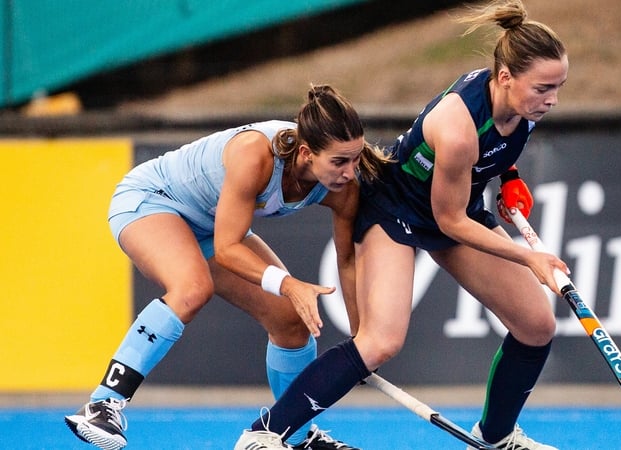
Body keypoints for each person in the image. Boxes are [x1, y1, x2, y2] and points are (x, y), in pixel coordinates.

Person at [234, 1, 571, 449]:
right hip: (397, 209)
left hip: (456, 205)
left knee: (536, 326)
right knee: (379, 342)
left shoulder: (523, 108)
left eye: (558, 88)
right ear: (505, 77)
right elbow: (450, 222)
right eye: (543, 88)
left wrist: (509, 179)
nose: (551, 99)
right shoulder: (456, 128)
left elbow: (488, 162)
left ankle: (497, 437)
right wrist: (530, 257)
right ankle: (264, 435)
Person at [65, 84, 390, 450]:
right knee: (192, 288)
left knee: (290, 320)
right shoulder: (255, 153)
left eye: (355, 158)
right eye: (339, 162)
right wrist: (287, 284)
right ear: (305, 153)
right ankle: (102, 403)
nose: (350, 172)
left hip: (208, 225)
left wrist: (361, 343)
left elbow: (347, 259)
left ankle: (294, 437)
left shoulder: (342, 188)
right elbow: (228, 247)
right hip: (151, 201)